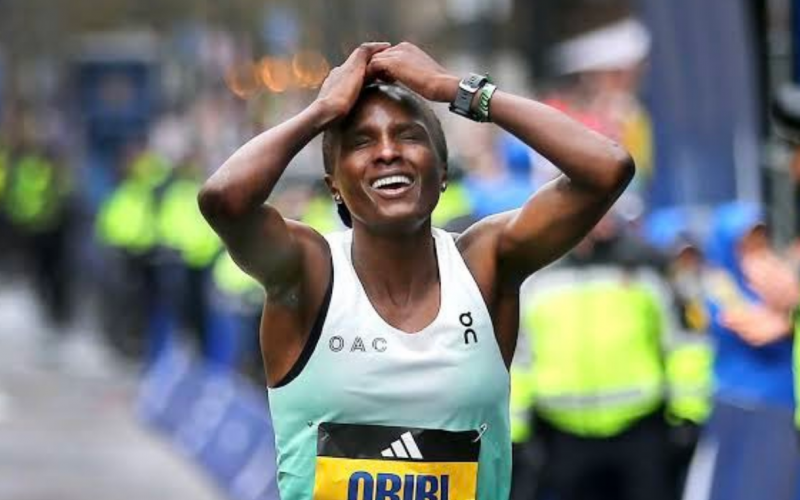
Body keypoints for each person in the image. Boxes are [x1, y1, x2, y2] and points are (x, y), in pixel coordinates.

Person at [198, 41, 634, 500]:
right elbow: (224, 200)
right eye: (362, 141)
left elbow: (607, 168)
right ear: (335, 188)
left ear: (442, 173)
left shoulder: (485, 264)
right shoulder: (309, 272)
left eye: (408, 135)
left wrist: (456, 90)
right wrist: (322, 110)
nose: (388, 152)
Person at [682, 203, 799, 500]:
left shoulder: (780, 276)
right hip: (740, 404)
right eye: (747, 239)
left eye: (761, 237)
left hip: (783, 402)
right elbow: (751, 327)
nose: (755, 247)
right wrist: (785, 313)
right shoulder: (718, 283)